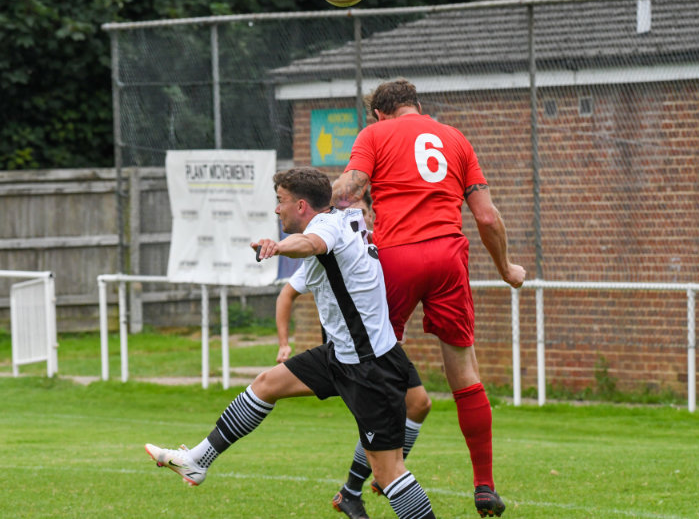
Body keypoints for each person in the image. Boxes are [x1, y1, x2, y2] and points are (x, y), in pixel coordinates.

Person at [145, 167, 437, 519]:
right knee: (266, 385)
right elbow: (305, 268)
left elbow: (311, 243)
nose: (276, 209)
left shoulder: (325, 229)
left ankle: (361, 485)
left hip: (367, 366)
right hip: (344, 355)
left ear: (301, 205)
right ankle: (197, 461)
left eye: (280, 201)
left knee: (389, 472)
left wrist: (278, 246)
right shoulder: (343, 219)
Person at [332, 78, 526, 518]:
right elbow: (487, 217)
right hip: (448, 258)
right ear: (417, 105)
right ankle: (484, 485)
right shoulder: (455, 138)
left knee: (377, 372)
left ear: (379, 113)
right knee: (465, 373)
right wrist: (506, 268)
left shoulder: (374, 134)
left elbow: (349, 189)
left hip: (396, 258)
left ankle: (357, 485)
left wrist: (314, 202)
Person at [274, 191, 432, 519]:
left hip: (385, 349)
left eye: (361, 211)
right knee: (387, 460)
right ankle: (375, 481)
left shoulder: (373, 242)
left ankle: (357, 488)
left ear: (370, 214)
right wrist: (284, 342)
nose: (355, 216)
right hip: (358, 356)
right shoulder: (334, 242)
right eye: (350, 211)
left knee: (419, 404)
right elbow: (288, 291)